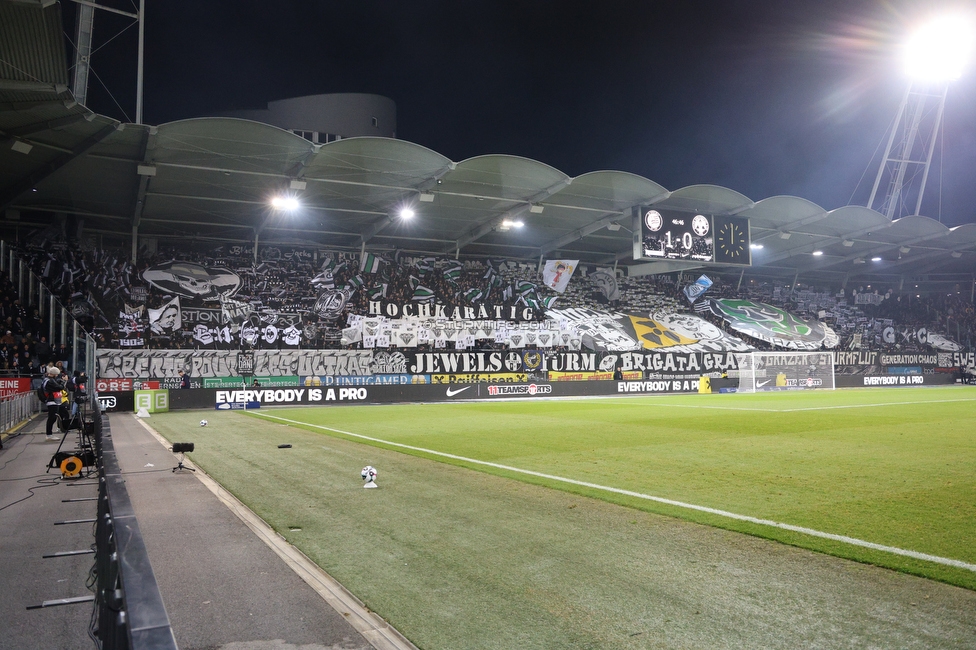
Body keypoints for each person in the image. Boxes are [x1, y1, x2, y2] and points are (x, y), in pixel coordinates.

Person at [41, 366, 64, 440]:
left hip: (53, 400)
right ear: (54, 374)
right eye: (57, 374)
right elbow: (59, 387)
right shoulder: (50, 381)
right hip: (52, 401)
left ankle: (50, 434)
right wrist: (62, 383)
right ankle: (49, 435)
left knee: (53, 417)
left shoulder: (47, 380)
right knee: (52, 418)